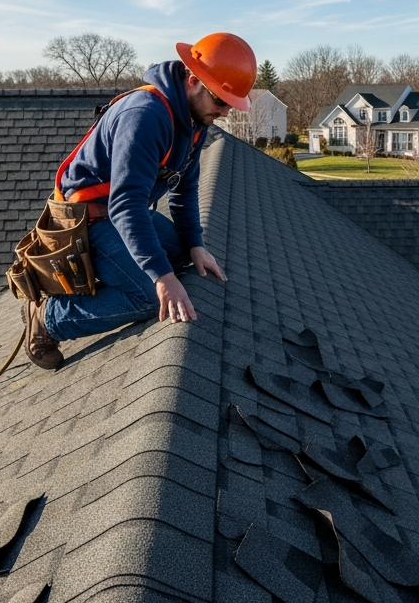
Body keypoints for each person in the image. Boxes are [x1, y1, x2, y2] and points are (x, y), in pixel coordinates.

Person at [22, 33, 256, 369]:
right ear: (193, 81)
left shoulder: (193, 120)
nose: (223, 113)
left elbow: (185, 188)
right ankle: (49, 320)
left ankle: (122, 274)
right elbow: (126, 204)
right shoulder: (146, 116)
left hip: (114, 211)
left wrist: (196, 244)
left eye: (229, 106)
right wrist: (161, 278)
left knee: (179, 255)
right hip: (86, 220)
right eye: (220, 102)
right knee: (149, 295)